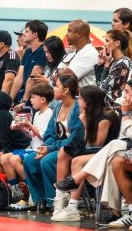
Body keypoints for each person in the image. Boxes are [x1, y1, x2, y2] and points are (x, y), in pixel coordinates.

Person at [51, 85, 121, 222]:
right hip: (94, 151)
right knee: (64, 152)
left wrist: (85, 123)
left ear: (89, 101)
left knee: (77, 161)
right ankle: (59, 199)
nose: (78, 101)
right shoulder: (89, 113)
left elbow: (96, 144)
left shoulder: (106, 117)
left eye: (81, 99)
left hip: (106, 153)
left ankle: (73, 208)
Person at [22, 75, 82, 212]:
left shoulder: (77, 108)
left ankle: (53, 201)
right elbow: (50, 133)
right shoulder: (58, 107)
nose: (53, 89)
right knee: (30, 160)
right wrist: (44, 147)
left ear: (66, 90)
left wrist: (49, 148)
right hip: (55, 146)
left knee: (47, 160)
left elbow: (75, 139)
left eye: (57, 86)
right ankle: (40, 199)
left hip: (71, 148)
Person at [1, 82, 55, 209]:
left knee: (14, 160)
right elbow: (32, 135)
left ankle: (33, 190)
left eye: (33, 97)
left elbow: (44, 137)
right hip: (32, 148)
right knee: (4, 159)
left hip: (41, 149)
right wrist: (21, 128)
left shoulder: (49, 113)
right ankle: (17, 193)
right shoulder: (37, 114)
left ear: (43, 99)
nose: (31, 100)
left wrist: (29, 125)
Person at [11, 20, 48, 104]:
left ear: (35, 34)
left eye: (26, 31)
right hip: (24, 95)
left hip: (36, 99)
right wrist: (9, 100)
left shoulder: (42, 51)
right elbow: (19, 78)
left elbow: (33, 78)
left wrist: (24, 101)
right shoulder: (28, 51)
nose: (24, 34)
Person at [96, 29, 132, 108]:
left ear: (117, 43)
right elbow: (98, 85)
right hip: (107, 107)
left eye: (107, 41)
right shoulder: (113, 61)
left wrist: (106, 65)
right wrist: (100, 65)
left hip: (116, 109)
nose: (104, 44)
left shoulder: (123, 63)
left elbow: (102, 89)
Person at [58, 20, 99, 88]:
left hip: (84, 94)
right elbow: (56, 75)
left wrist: (61, 72)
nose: (66, 34)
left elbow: (66, 77)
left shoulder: (90, 53)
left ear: (79, 34)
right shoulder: (74, 52)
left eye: (69, 31)